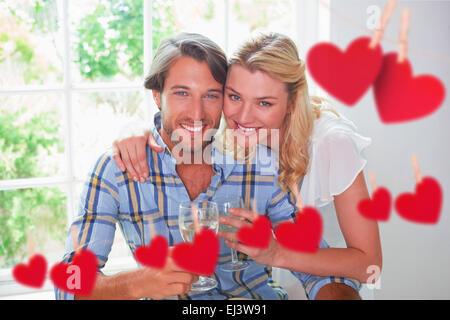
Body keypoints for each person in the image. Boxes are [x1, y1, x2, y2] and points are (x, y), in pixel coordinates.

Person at [55, 32, 361, 300]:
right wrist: (139, 284)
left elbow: (318, 269)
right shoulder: (117, 169)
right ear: (156, 96)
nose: (198, 113)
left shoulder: (259, 162)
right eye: (182, 93)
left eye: (211, 95)